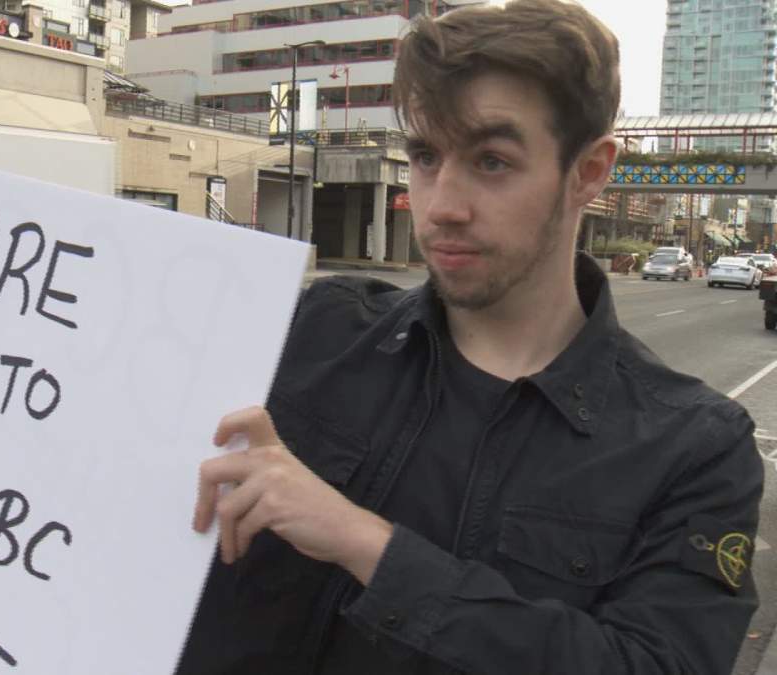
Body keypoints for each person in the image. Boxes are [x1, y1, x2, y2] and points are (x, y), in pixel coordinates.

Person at [181, 1, 762, 673]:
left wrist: (364, 542)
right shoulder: (315, 331)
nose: (442, 205)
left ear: (589, 172)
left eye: (491, 161)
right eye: (426, 156)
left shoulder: (693, 449)